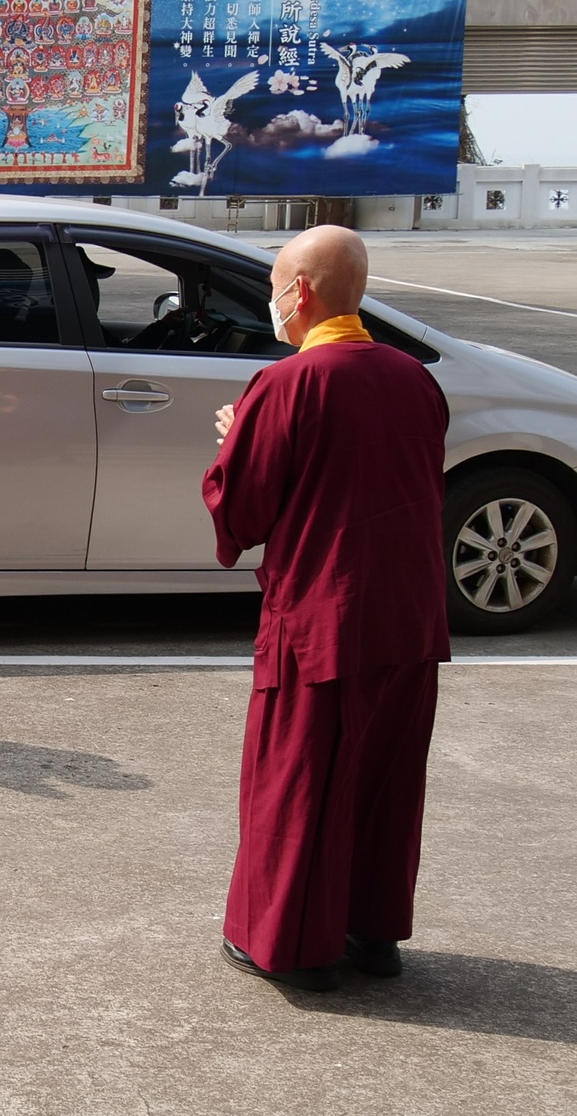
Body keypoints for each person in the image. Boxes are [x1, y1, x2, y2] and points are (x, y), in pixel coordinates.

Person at [204, 225, 449, 992]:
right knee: (383, 782)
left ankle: (296, 948)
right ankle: (374, 936)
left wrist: (237, 439)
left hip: (322, 616)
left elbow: (242, 511)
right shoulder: (415, 378)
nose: (275, 301)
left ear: (300, 292)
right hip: (409, 615)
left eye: (276, 287)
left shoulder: (288, 384)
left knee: (301, 780)